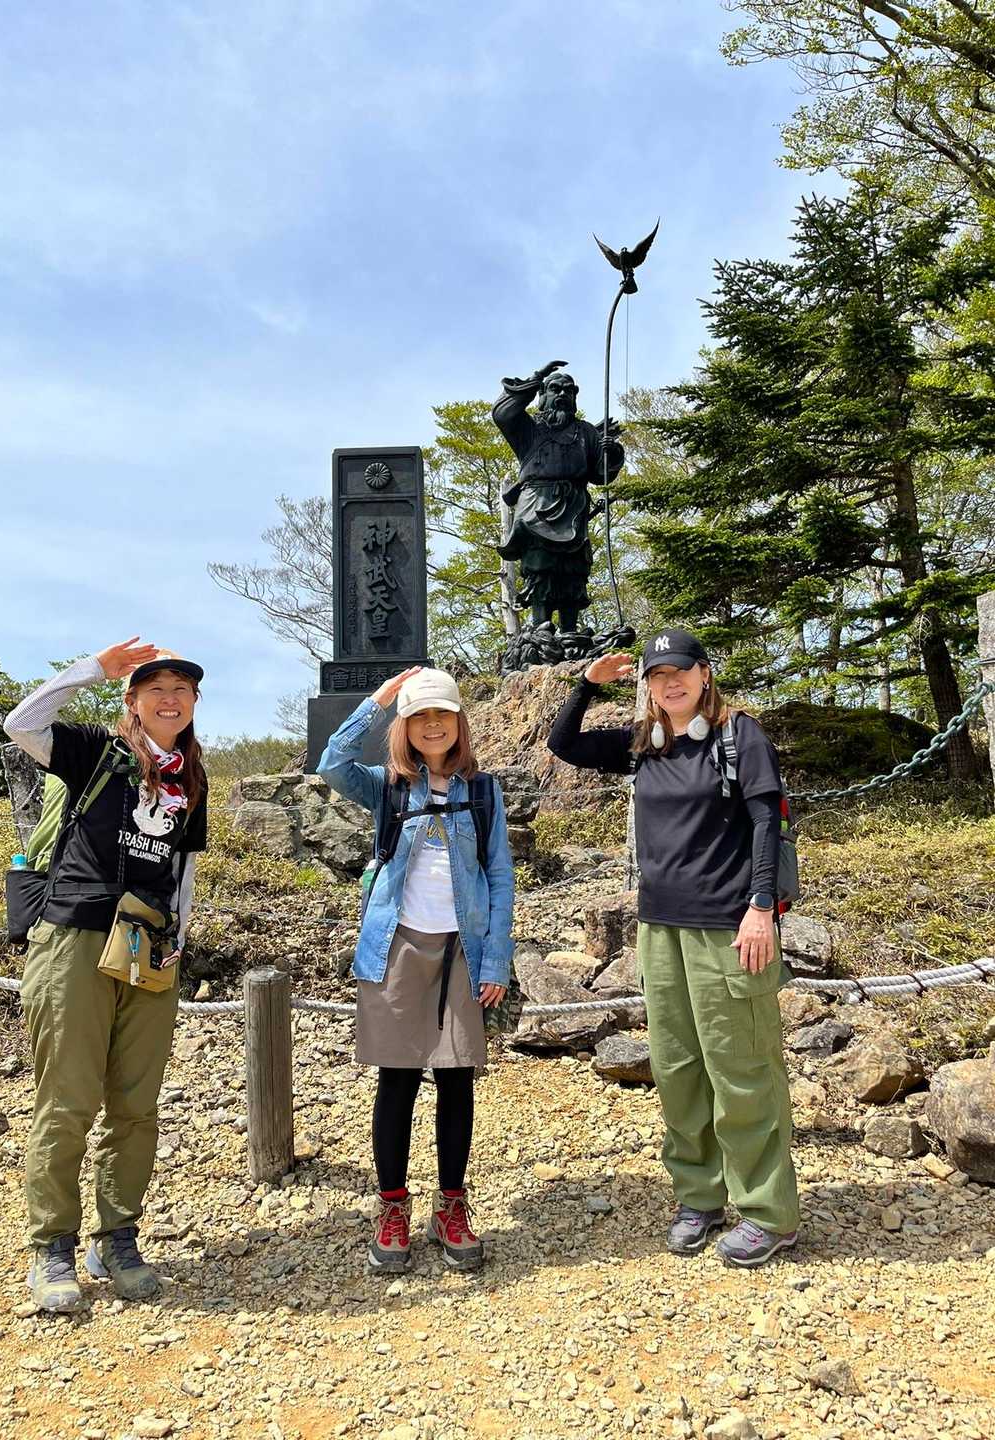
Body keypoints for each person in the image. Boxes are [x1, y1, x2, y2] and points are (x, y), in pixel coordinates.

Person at [547, 627, 800, 1267]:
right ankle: (699, 1197)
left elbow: (767, 822)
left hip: (729, 927)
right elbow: (564, 744)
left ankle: (769, 1213)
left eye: (680, 671)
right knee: (679, 1069)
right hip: (660, 929)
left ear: (704, 673)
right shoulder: (644, 744)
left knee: (741, 1069)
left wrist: (761, 908)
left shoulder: (740, 736)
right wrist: (586, 685)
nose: (670, 683)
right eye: (657, 676)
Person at [4, 641, 208, 1313]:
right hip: (73, 936)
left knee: (136, 1104)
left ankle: (117, 1238)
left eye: (181, 688)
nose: (169, 699)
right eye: (155, 688)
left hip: (149, 948)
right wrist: (93, 668)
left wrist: (180, 941)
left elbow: (182, 871)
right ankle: (52, 1247)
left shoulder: (191, 777)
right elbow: (21, 723)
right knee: (67, 1101)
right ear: (133, 699)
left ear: (195, 702)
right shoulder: (95, 749)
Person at [318, 666, 514, 1274]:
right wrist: (377, 702)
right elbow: (332, 762)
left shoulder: (483, 791)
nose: (433, 725)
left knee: (457, 1079)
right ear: (404, 725)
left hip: (463, 948)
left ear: (460, 722)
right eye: (419, 715)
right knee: (398, 1079)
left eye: (443, 714)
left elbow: (499, 875)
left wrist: (496, 959)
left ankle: (451, 1205)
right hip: (397, 945)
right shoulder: (387, 786)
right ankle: (393, 1207)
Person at [492, 359, 624, 632]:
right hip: (536, 507)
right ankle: (540, 630)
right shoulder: (529, 429)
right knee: (540, 570)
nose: (562, 394)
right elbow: (502, 414)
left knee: (573, 572)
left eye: (568, 390)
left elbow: (600, 475)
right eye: (555, 389)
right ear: (543, 394)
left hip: (574, 509)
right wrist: (537, 377)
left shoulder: (585, 432)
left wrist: (612, 453)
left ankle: (570, 633)